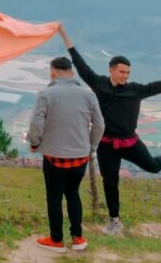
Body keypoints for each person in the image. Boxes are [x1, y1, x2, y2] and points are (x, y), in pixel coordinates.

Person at [60, 24, 161, 235]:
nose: (125, 76)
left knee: (153, 167)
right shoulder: (98, 84)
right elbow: (80, 64)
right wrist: (65, 36)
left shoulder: (135, 90)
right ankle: (115, 221)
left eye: (128, 73)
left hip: (130, 143)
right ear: (111, 70)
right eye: (122, 72)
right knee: (110, 183)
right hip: (106, 145)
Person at [27, 56, 105, 253]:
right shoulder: (88, 95)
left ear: (53, 72)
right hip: (80, 156)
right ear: (72, 72)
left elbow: (36, 123)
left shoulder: (45, 94)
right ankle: (78, 238)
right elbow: (99, 125)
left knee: (54, 197)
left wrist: (35, 143)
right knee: (73, 194)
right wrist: (91, 147)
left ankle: (56, 240)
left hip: (54, 156)